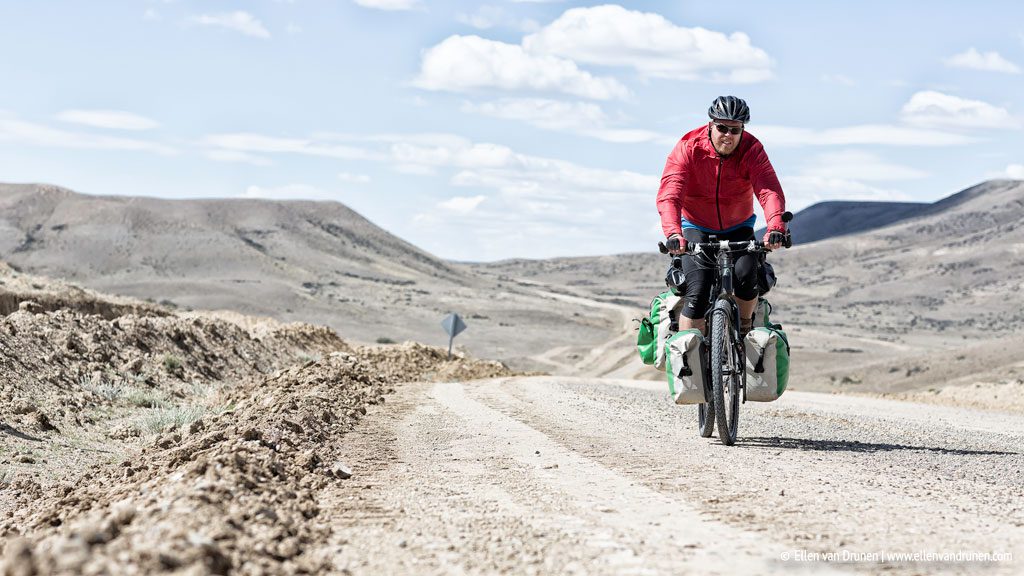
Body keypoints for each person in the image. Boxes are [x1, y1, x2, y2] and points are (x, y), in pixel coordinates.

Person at [656, 95, 787, 336]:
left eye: (734, 130)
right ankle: (689, 366)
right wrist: (674, 233)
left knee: (747, 279)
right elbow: (670, 194)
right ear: (710, 125)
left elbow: (768, 191)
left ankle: (745, 329)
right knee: (697, 290)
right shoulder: (688, 147)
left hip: (738, 226)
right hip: (696, 225)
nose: (727, 135)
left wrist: (776, 227)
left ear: (742, 130)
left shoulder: (752, 149)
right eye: (722, 127)